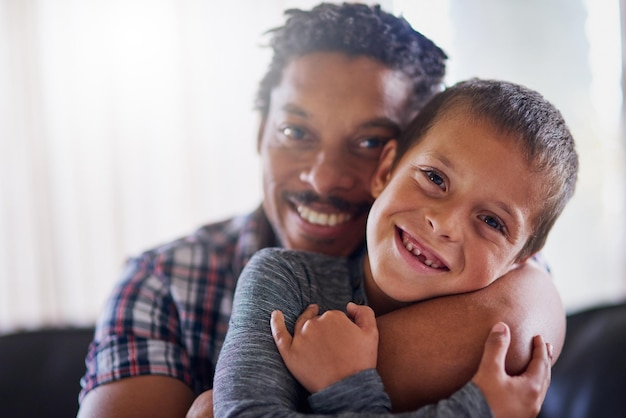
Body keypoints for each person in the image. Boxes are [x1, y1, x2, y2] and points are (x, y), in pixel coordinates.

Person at [77, 4, 566, 417]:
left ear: (393, 156)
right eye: (296, 133)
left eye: (368, 141)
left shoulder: (487, 263)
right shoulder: (164, 281)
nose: (325, 177)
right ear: (260, 130)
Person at [213, 78, 578, 417]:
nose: (444, 224)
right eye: (434, 178)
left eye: (492, 221)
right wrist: (473, 409)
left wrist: (347, 390)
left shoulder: (496, 351)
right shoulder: (284, 278)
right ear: (385, 171)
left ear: (521, 261)